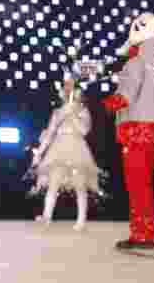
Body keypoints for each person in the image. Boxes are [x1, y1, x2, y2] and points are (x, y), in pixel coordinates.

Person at [103, 12, 154, 250]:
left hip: (134, 130)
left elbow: (126, 96)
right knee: (145, 185)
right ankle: (146, 232)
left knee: (137, 185)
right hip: (153, 129)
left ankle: (142, 234)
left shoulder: (135, 63)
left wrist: (106, 103)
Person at [30, 75, 102, 230]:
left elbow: (84, 131)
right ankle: (46, 216)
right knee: (53, 184)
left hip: (77, 146)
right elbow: (49, 134)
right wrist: (39, 153)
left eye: (70, 90)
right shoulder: (57, 112)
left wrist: (72, 114)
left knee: (79, 185)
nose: (67, 92)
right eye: (65, 90)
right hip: (58, 147)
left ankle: (81, 220)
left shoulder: (83, 111)